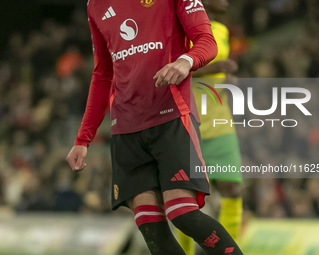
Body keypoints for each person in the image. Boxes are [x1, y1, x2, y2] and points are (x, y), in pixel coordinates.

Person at [66, 0, 243, 254]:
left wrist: (185, 61)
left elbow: (207, 40)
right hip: (126, 127)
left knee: (182, 213)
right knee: (150, 225)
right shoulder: (95, 5)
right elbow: (103, 73)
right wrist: (83, 138)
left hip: (171, 118)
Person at [178, 0, 243, 254]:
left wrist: (226, 79)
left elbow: (215, 72)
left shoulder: (222, 30)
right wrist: (216, 68)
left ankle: (233, 250)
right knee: (187, 197)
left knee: (233, 189)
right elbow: (172, 69)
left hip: (220, 120)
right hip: (188, 122)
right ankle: (184, 251)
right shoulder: (183, 26)